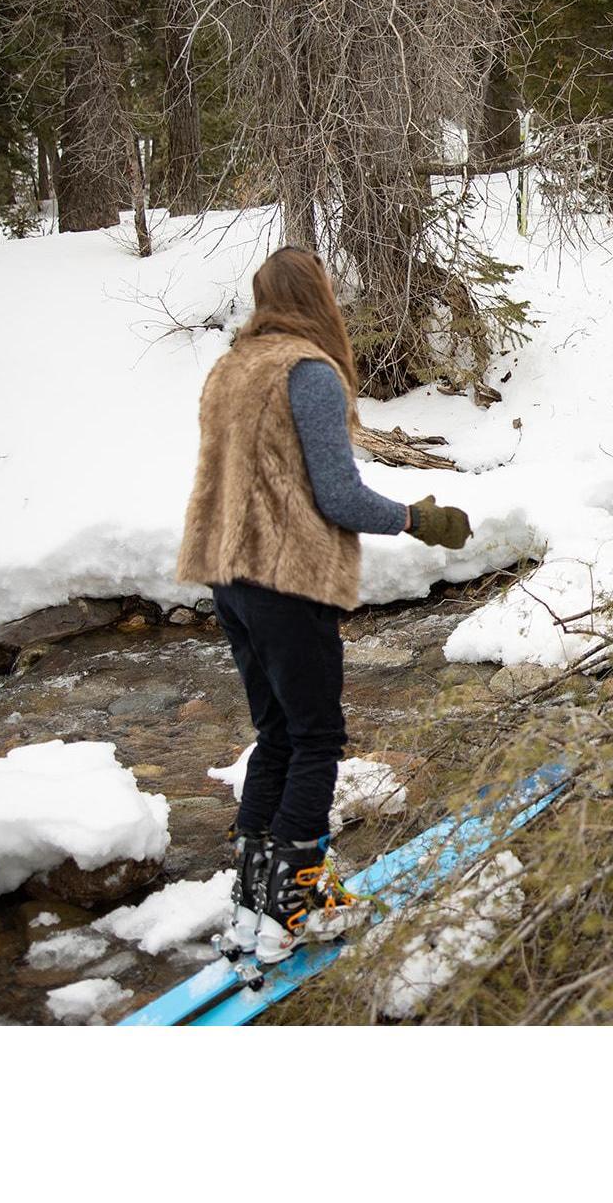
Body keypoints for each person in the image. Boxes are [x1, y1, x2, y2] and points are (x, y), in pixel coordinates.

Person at [176, 246, 472, 965]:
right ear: (316, 296)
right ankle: (292, 911)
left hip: (228, 575)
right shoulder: (306, 370)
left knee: (276, 735)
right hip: (287, 574)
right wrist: (416, 518)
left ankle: (254, 904)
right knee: (316, 740)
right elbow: (336, 496)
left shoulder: (231, 368)